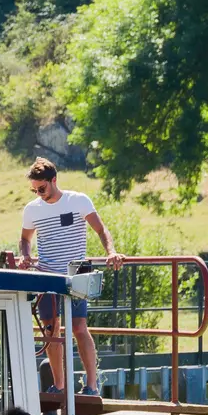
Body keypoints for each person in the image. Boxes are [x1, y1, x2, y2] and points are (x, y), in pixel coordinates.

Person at [18, 158, 124, 396]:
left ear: (54, 180)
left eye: (42, 188)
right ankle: (59, 385)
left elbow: (101, 229)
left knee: (79, 327)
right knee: (50, 330)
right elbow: (25, 239)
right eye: (34, 190)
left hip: (77, 270)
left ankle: (92, 386)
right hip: (47, 272)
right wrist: (25, 256)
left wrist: (111, 252)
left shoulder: (78, 200)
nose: (38, 193)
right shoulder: (32, 209)